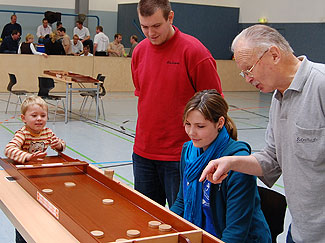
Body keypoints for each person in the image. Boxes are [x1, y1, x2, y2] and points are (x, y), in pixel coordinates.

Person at [199, 24, 325, 243]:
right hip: (300, 233)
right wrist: (231, 162)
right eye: (243, 72)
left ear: (274, 54)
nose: (247, 78)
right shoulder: (278, 99)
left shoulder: (321, 85)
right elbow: (271, 160)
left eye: (249, 69)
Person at [131, 0, 222, 207]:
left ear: (170, 18)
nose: (150, 33)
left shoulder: (195, 52)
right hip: (143, 153)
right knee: (145, 219)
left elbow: (215, 106)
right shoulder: (139, 52)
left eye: (156, 26)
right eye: (144, 27)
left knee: (181, 222)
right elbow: (145, 97)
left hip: (181, 156)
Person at [170, 90, 271, 242]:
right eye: (188, 124)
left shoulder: (238, 162)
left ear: (220, 123)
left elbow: (236, 231)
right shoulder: (188, 150)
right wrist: (164, 225)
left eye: (200, 126)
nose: (191, 132)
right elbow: (182, 202)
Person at [4, 95, 65, 243]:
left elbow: (61, 145)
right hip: (22, 177)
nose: (39, 119)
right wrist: (27, 157)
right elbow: (9, 149)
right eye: (34, 115)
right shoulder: (23, 134)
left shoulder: (47, 132)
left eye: (43, 115)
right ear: (24, 118)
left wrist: (58, 145)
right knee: (25, 214)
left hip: (40, 176)